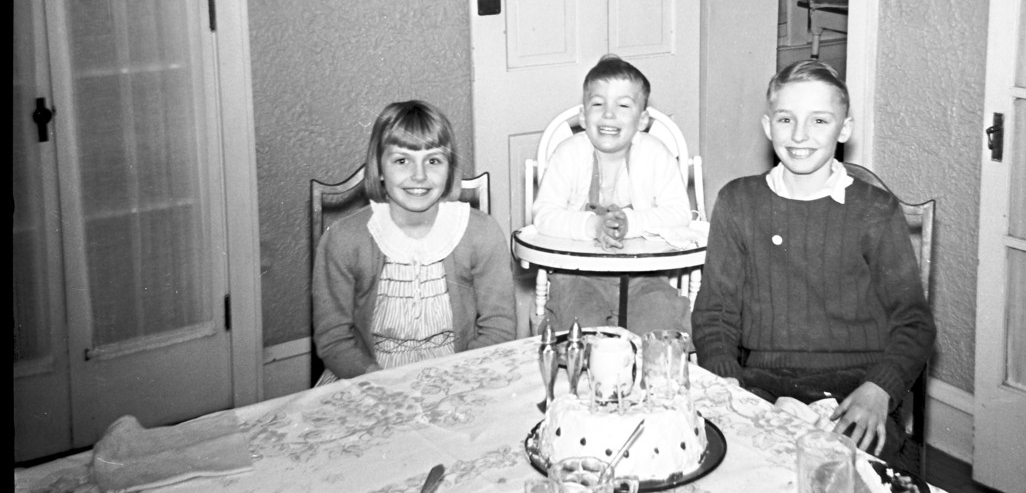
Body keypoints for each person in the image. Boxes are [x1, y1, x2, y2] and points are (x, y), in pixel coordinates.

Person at [691, 60, 935, 462]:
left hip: (855, 389)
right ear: (768, 126)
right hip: (760, 384)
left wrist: (880, 390)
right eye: (786, 119)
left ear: (845, 129)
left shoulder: (875, 210)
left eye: (819, 120)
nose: (799, 135)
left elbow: (914, 322)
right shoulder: (738, 202)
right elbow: (715, 312)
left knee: (840, 471)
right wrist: (728, 387)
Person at [313, 100, 516, 382]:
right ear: (379, 168)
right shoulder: (344, 239)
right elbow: (333, 338)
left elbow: (499, 328)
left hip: (460, 370)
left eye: (433, 161)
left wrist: (455, 377)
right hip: (367, 375)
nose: (419, 175)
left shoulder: (481, 232)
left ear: (449, 168)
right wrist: (376, 378)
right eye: (401, 160)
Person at [533, 54, 694, 335]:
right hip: (577, 275)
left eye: (623, 105)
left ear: (642, 119)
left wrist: (632, 223)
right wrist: (592, 226)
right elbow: (544, 215)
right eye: (598, 104)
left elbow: (679, 213)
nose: (609, 114)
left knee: (660, 326)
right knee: (580, 328)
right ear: (583, 115)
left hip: (645, 275)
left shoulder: (656, 155)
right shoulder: (568, 155)